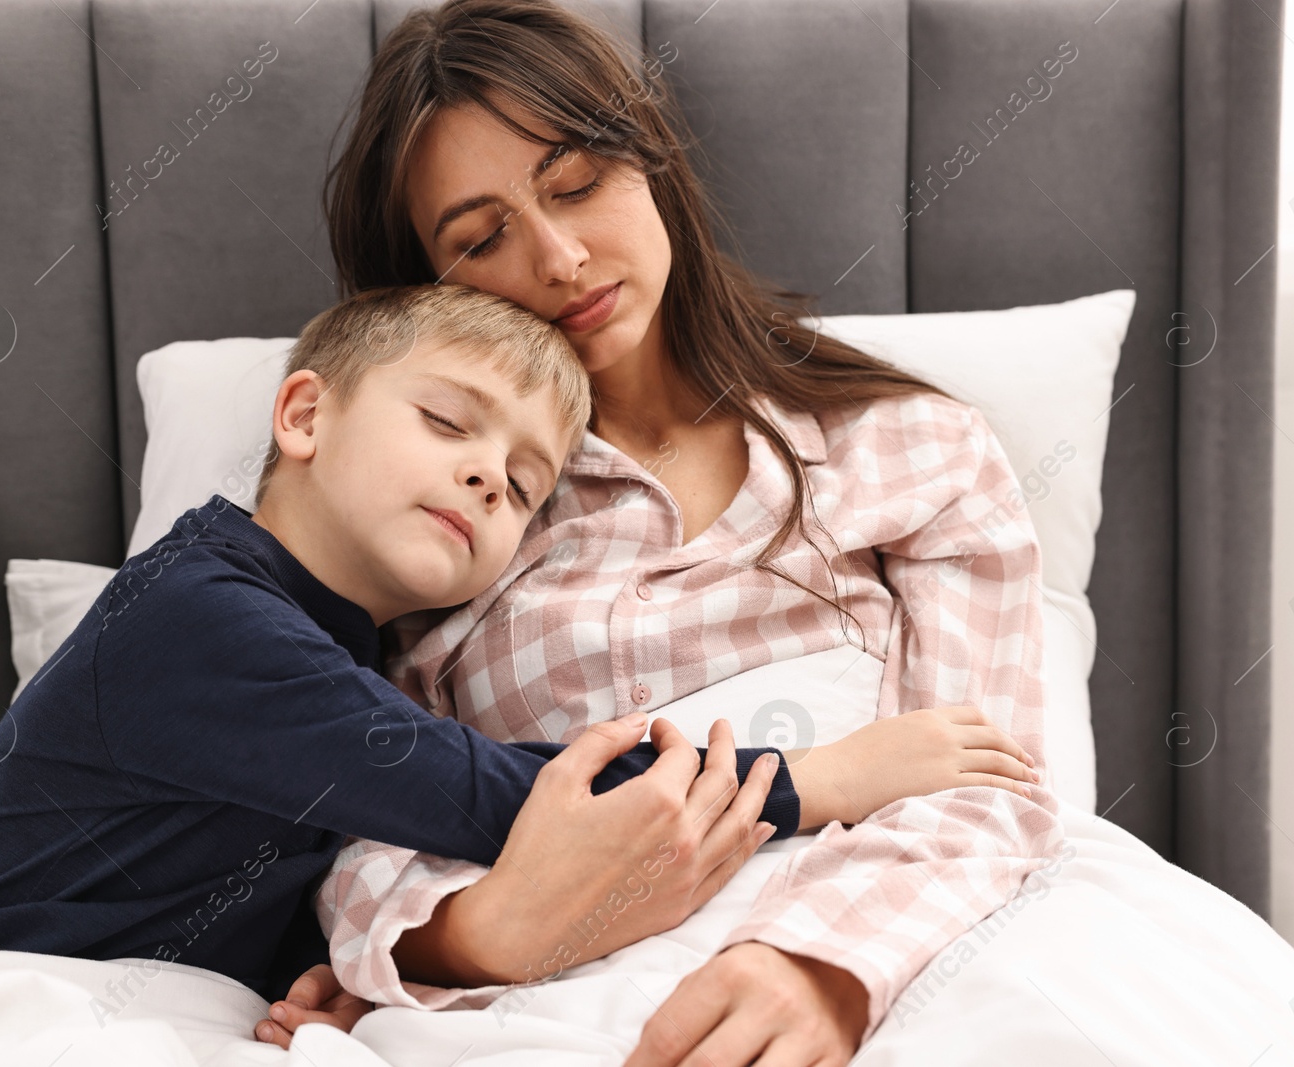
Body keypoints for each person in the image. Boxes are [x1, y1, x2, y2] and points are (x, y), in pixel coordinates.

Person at [254, 2, 1061, 1063]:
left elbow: (986, 786)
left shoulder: (915, 450)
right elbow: (361, 836)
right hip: (551, 977)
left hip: (895, 946)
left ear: (653, 163)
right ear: (424, 288)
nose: (559, 256)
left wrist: (814, 964)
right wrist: (478, 938)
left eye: (578, 182)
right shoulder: (441, 510)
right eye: (482, 236)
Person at [0, 282, 819, 998]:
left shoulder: (350, 654)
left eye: (525, 480)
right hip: (12, 1007)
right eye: (447, 421)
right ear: (305, 415)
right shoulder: (198, 615)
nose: (486, 475)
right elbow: (491, 797)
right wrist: (819, 781)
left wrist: (321, 970)